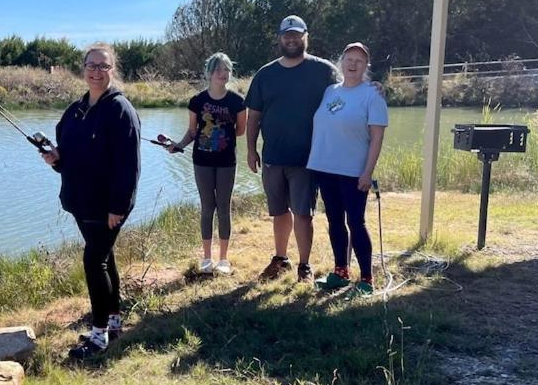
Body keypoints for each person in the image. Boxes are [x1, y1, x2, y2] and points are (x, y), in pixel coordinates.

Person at [42, 43, 141, 359]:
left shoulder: (120, 109)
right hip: (79, 200)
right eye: (91, 65)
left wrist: (119, 206)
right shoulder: (74, 110)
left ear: (113, 70)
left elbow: (129, 164)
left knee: (93, 261)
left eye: (104, 66)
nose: (97, 72)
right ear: (83, 69)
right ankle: (113, 323)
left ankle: (98, 336)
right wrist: (56, 158)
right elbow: (68, 154)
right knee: (105, 258)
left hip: (107, 205)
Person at [246, 15, 339, 283]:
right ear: (280, 38)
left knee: (303, 213)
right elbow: (254, 116)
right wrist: (251, 150)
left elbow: (347, 93)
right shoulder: (265, 74)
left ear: (305, 37)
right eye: (287, 34)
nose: (291, 39)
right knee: (278, 212)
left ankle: (304, 266)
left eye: (296, 34)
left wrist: (373, 88)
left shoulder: (323, 71)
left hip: (307, 159)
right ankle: (280, 259)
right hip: (273, 157)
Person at [307, 42, 388, 295]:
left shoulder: (372, 95)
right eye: (349, 59)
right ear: (341, 62)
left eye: (359, 61)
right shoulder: (330, 91)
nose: (353, 64)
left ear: (366, 67)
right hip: (325, 168)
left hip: (353, 172)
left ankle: (366, 279)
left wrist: (367, 172)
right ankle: (340, 271)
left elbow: (376, 138)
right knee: (334, 221)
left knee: (356, 222)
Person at [160, 52, 246, 275]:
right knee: (207, 208)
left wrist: (220, 140)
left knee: (224, 208)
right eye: (218, 69)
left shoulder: (237, 101)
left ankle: (224, 259)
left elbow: (240, 130)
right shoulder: (197, 101)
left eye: (226, 69)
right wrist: (178, 145)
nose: (222, 73)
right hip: (202, 161)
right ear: (209, 73)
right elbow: (192, 132)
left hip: (227, 162)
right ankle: (207, 258)